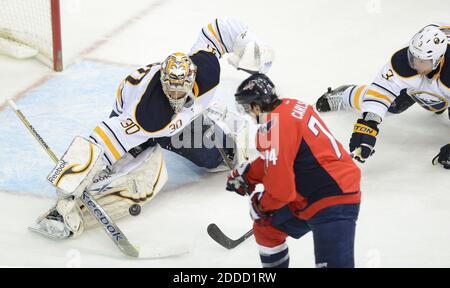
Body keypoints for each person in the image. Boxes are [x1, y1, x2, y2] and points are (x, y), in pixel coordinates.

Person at [30, 18, 274, 239]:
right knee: (143, 181)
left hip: (180, 123)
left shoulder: (207, 70)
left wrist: (249, 44)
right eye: (171, 89)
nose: (176, 95)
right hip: (134, 120)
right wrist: (73, 179)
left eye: (182, 89)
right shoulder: (146, 114)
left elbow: (218, 31)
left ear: (192, 78)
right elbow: (102, 140)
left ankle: (211, 119)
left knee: (220, 158)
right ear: (163, 82)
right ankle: (66, 214)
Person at [226, 74, 361, 268]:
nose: (248, 113)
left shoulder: (274, 126)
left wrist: (261, 205)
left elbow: (282, 191)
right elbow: (278, 160)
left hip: (333, 197)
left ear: (256, 106)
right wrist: (249, 174)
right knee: (267, 229)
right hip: (313, 193)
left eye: (247, 108)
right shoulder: (291, 106)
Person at [315, 23, 450, 169]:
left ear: (438, 59)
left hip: (444, 83)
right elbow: (381, 91)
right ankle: (346, 94)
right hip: (426, 85)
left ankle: (439, 102)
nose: (415, 64)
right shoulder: (403, 59)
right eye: (413, 58)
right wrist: (368, 124)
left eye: (422, 61)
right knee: (392, 106)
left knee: (438, 100)